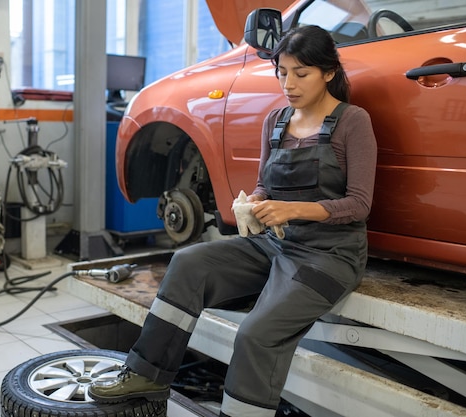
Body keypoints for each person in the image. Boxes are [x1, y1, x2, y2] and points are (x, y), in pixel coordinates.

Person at [89, 24, 377, 417]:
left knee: (257, 334)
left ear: (328, 73)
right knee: (189, 263)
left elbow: (359, 205)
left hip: (329, 255)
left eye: (301, 73)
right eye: (282, 72)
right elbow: (263, 184)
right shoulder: (275, 120)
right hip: (274, 242)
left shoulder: (352, 122)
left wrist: (291, 209)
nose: (288, 84)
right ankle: (147, 374)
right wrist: (256, 203)